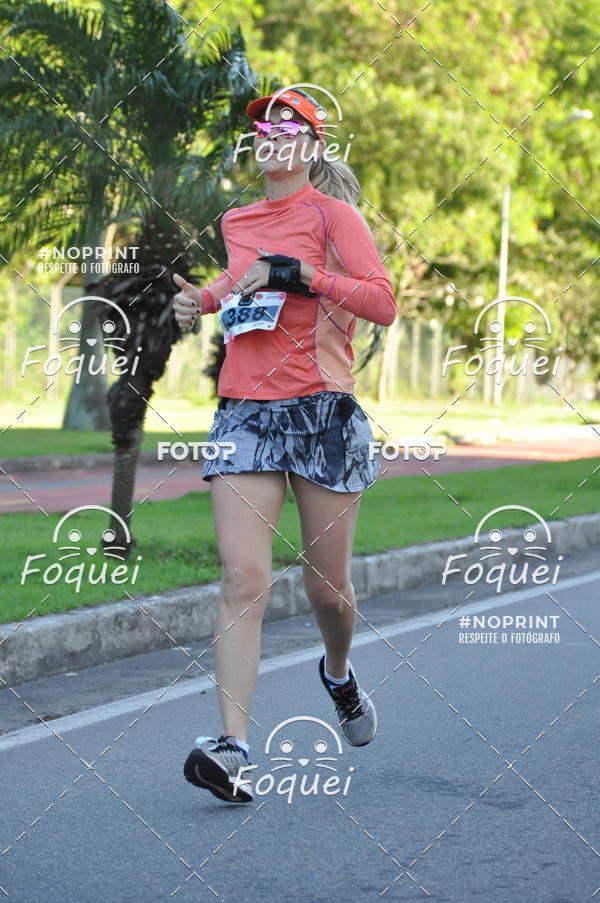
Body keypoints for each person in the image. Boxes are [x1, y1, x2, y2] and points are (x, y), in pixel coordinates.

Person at [172, 88, 397, 803]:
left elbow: (383, 300)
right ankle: (234, 747)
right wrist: (200, 300)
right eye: (262, 127)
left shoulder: (335, 217)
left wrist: (307, 276)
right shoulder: (236, 219)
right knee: (243, 576)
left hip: (322, 412)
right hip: (245, 412)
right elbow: (239, 282)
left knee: (328, 591)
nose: (270, 134)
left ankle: (337, 672)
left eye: (287, 125)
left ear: (313, 146)